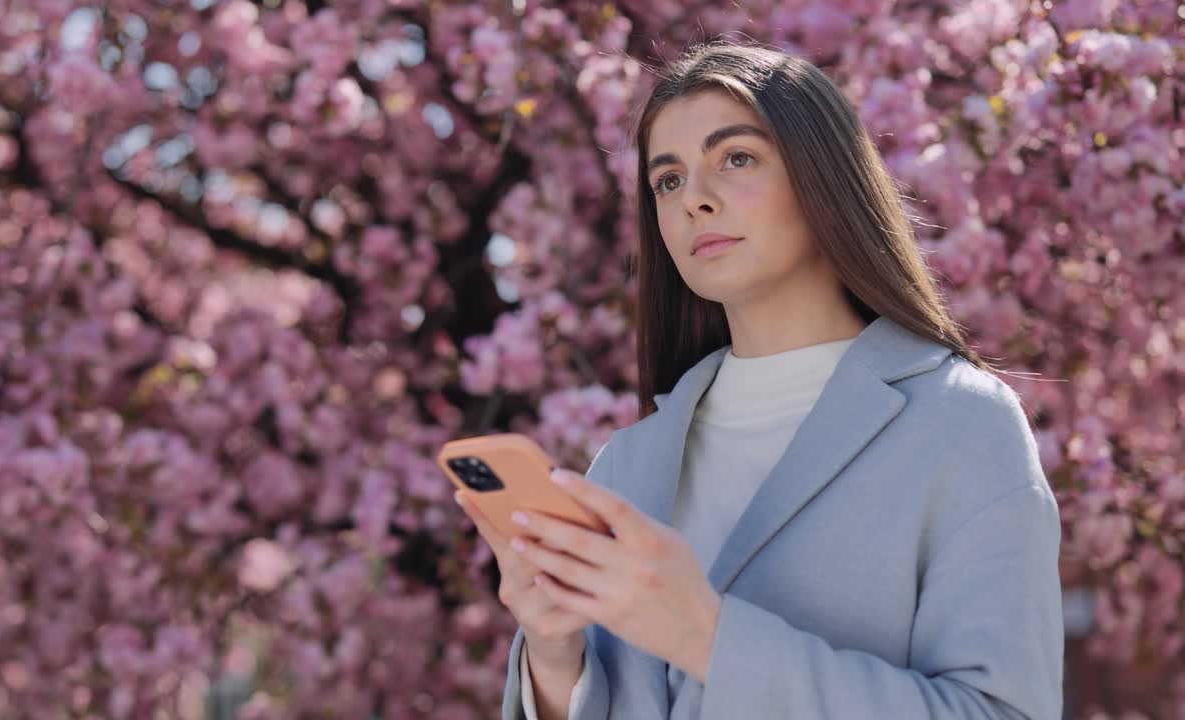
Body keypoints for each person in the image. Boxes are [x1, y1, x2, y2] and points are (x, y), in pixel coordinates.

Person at [454, 39, 1063, 720]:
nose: (695, 201)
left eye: (736, 158)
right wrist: (552, 656)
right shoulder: (626, 466)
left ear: (822, 177)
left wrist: (708, 639)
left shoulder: (961, 424)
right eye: (668, 180)